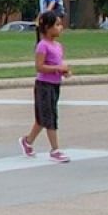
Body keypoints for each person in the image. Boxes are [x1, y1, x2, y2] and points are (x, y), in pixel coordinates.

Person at [19, 11, 72, 163]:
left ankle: (27, 141)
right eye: (57, 25)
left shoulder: (58, 46)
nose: (60, 27)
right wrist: (58, 68)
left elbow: (58, 65)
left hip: (55, 85)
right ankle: (55, 150)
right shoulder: (42, 46)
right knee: (50, 118)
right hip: (44, 86)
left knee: (42, 119)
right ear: (47, 28)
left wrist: (64, 71)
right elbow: (39, 67)